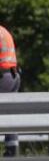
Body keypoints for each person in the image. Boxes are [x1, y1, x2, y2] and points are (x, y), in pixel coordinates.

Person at [0, 25, 20, 157]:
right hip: (13, 76)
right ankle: (12, 150)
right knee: (9, 113)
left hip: (2, 76)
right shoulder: (3, 30)